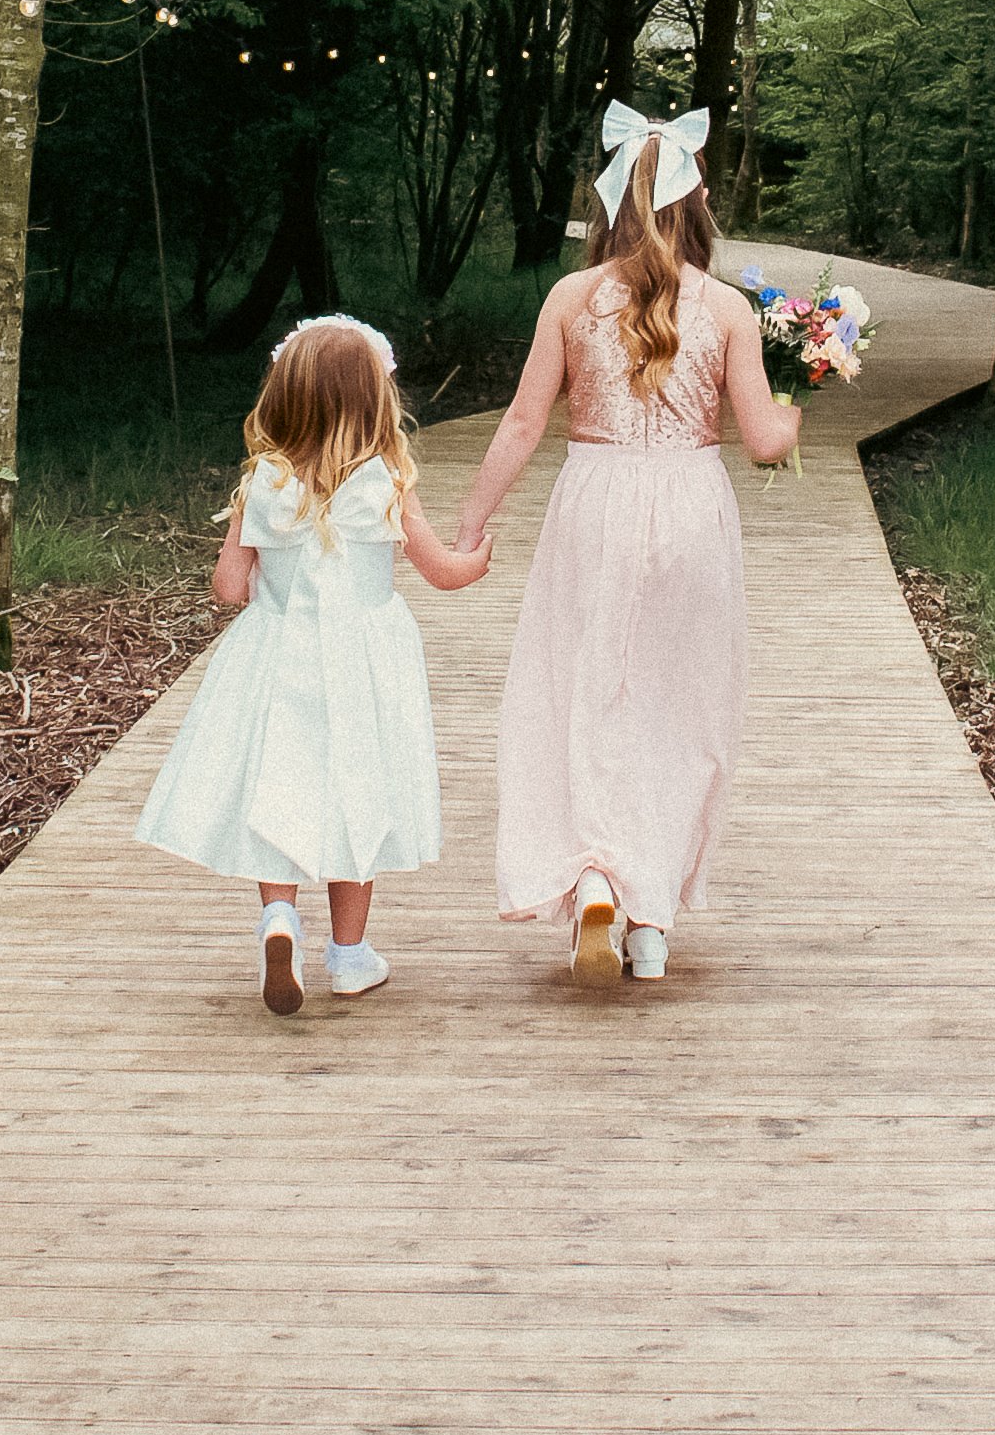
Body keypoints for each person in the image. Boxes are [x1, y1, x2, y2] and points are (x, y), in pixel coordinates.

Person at [455, 102, 800, 986]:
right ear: (698, 203)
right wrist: (797, 410)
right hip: (690, 509)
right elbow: (763, 440)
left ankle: (596, 871)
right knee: (681, 707)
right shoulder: (725, 307)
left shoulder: (572, 298)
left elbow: (525, 421)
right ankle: (649, 920)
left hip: (593, 504)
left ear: (609, 200)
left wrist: (472, 522)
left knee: (585, 693)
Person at [135, 313, 490, 1014]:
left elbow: (230, 587)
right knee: (360, 786)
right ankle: (352, 956)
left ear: (283, 396)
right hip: (365, 661)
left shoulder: (262, 482)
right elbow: (442, 571)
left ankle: (279, 918)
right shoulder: (387, 480)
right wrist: (478, 557)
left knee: (283, 781)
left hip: (279, 656)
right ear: (376, 400)